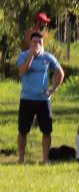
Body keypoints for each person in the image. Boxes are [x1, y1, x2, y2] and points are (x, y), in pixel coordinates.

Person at [17, 32, 64, 164]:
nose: (37, 44)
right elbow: (22, 71)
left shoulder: (48, 57)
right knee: (23, 130)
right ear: (30, 43)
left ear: (43, 44)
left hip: (43, 100)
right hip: (27, 98)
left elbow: (60, 73)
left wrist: (53, 89)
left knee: (47, 131)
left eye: (40, 42)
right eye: (34, 42)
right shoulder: (23, 56)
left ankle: (45, 159)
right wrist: (31, 56)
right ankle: (21, 159)